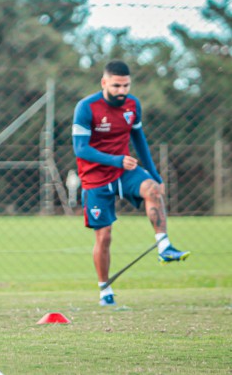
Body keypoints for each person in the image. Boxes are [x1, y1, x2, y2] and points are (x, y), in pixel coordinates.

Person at [72, 60, 190, 307]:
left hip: (123, 172)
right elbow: (80, 149)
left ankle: (164, 247)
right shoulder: (86, 107)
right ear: (104, 83)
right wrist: (115, 159)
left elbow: (139, 138)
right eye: (116, 85)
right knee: (104, 237)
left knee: (152, 190)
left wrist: (156, 176)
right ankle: (105, 291)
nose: (122, 91)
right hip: (95, 177)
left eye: (126, 85)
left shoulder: (133, 105)